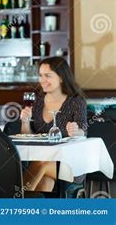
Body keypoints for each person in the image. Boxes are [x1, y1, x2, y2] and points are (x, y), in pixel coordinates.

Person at [20, 57, 88, 192]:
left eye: (48, 76)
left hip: (70, 165)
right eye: (40, 76)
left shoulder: (76, 101)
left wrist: (75, 130)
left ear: (61, 78)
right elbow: (27, 136)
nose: (42, 80)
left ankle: (16, 200)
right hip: (43, 159)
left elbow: (83, 131)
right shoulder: (38, 101)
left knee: (41, 163)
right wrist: (25, 121)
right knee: (45, 184)